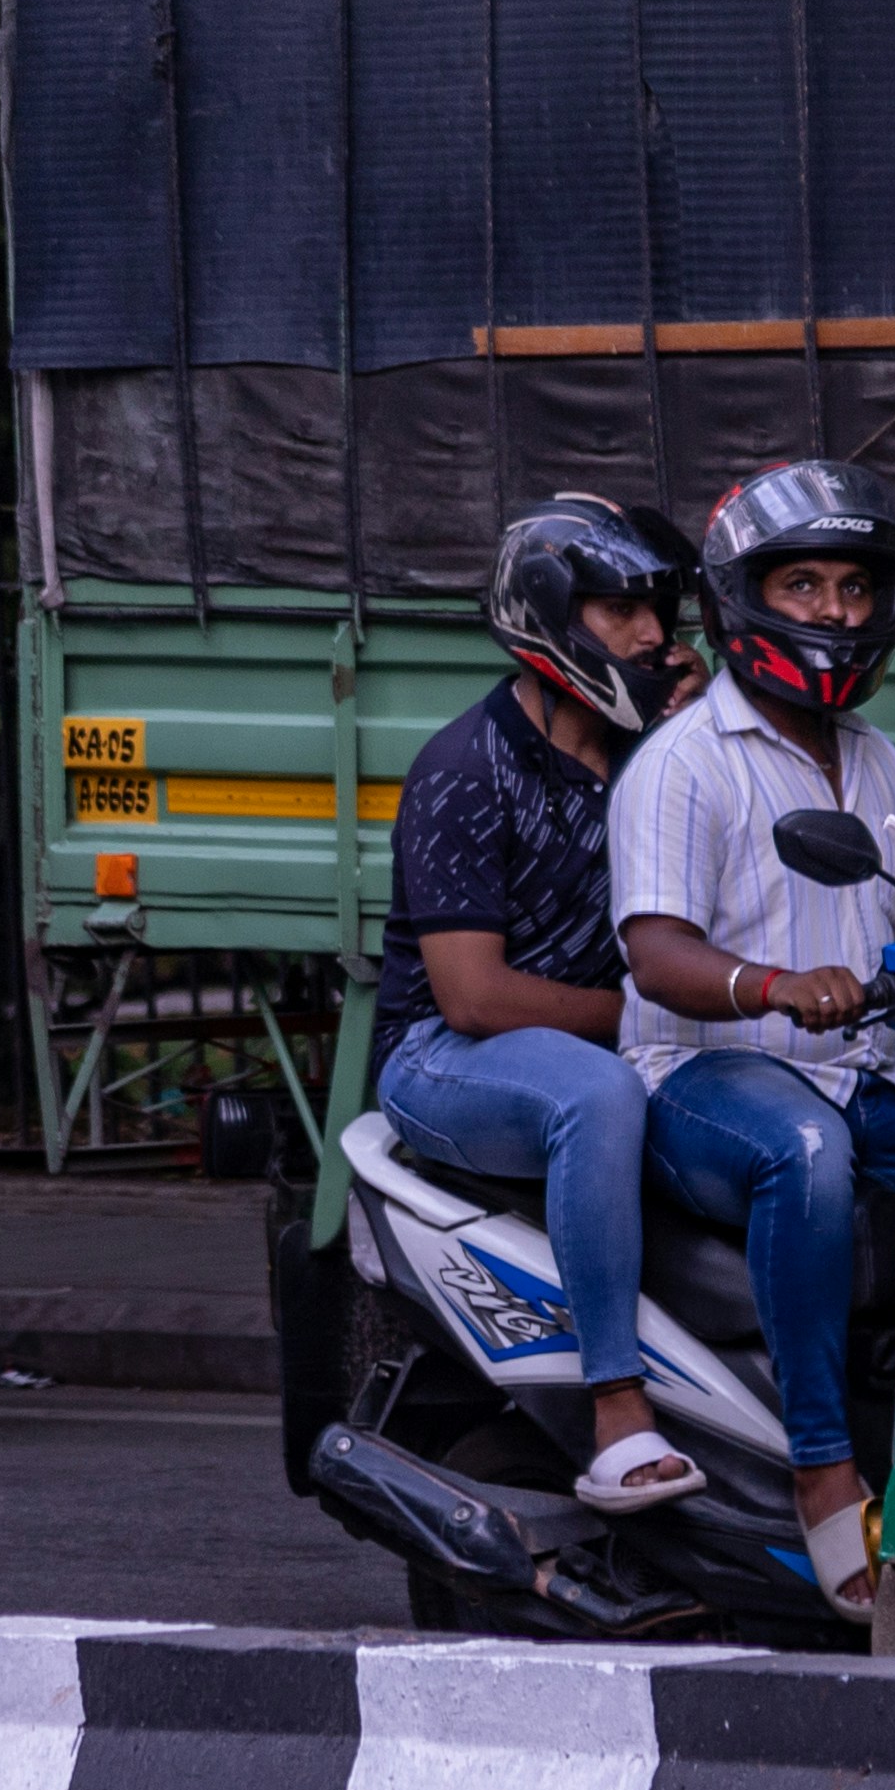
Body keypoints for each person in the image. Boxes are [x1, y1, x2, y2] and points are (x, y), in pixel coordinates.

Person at [609, 456, 895, 1615]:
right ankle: (819, 1465)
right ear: (745, 596)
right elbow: (655, 955)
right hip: (699, 1075)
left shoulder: (886, 765)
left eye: (854, 588)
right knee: (807, 1153)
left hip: (858, 1069)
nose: (837, 614)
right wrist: (772, 983)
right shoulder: (683, 762)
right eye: (804, 585)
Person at [364, 495, 707, 1513]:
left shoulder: (656, 752)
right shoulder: (464, 770)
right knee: (598, 1096)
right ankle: (616, 1412)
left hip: (595, 1033)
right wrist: (650, 1017)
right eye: (620, 611)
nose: (653, 634)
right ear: (549, 616)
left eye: (658, 609)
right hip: (444, 1053)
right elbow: (472, 996)